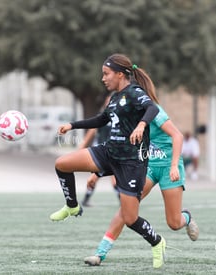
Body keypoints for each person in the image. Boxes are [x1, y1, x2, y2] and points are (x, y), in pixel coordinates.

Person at [49, 53, 166, 269]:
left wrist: (141, 125)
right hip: (108, 153)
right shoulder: (114, 97)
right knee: (62, 163)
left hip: (132, 163)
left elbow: (153, 108)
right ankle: (72, 206)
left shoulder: (134, 92)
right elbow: (102, 120)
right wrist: (72, 125)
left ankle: (157, 242)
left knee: (130, 218)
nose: (103, 78)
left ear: (120, 74)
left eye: (106, 74)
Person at [84, 104, 200, 267]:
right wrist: (98, 174)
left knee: (174, 223)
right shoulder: (126, 115)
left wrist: (174, 165)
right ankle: (100, 254)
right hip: (148, 166)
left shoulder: (153, 110)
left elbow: (178, 136)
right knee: (126, 208)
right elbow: (120, 149)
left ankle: (186, 217)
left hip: (168, 166)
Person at [79, 94, 118, 207]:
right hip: (101, 152)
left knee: (115, 179)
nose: (109, 103)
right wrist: (81, 148)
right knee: (95, 177)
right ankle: (85, 199)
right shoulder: (102, 117)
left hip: (114, 152)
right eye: (108, 101)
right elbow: (90, 134)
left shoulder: (120, 118)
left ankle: (123, 203)